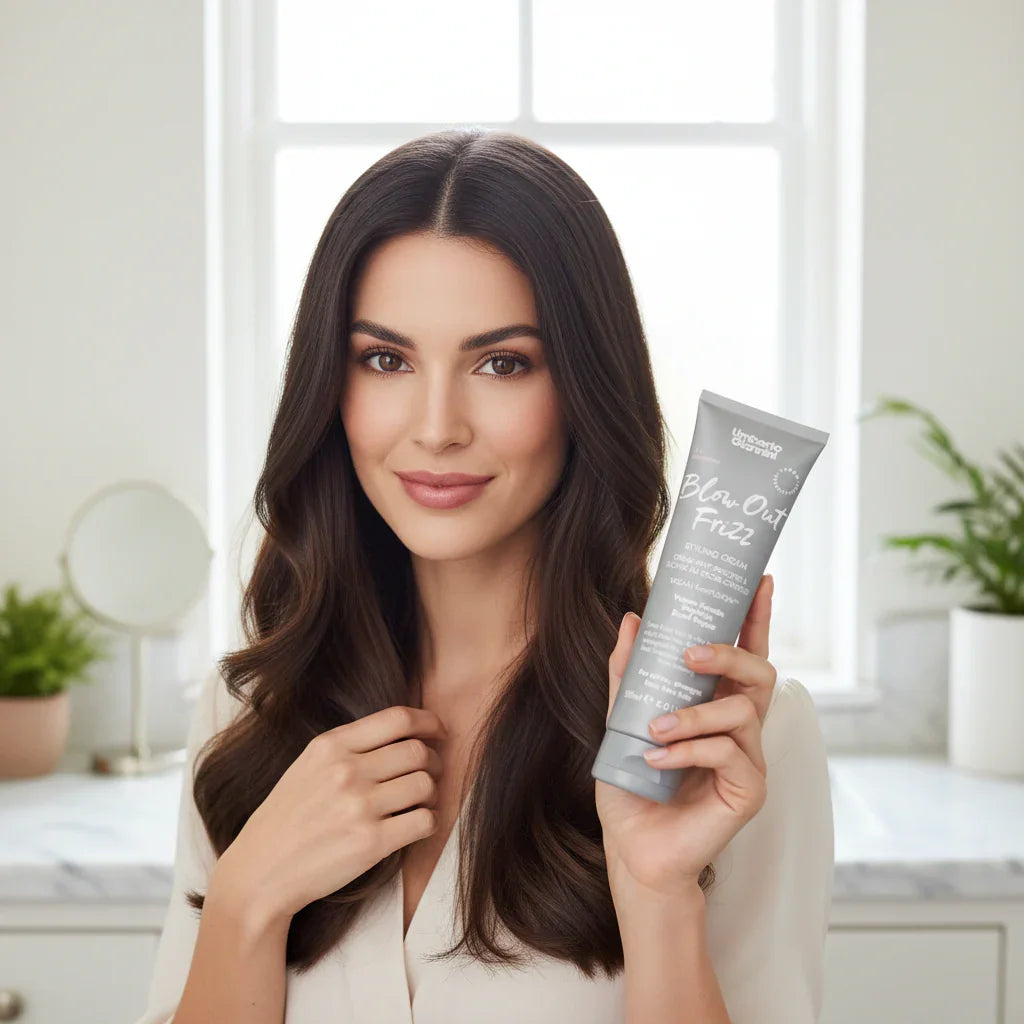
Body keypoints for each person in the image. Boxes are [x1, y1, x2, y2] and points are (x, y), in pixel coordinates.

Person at [134, 128, 834, 1024]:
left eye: (502, 363)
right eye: (385, 359)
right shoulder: (251, 715)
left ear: (582, 386)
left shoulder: (723, 740)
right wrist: (245, 903)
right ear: (331, 385)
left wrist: (658, 896)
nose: (435, 427)